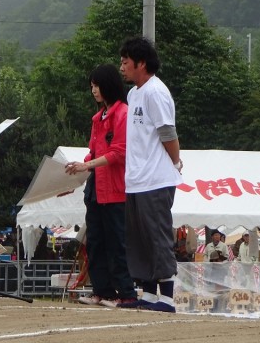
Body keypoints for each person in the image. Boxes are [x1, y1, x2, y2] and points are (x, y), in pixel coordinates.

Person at [118, 36, 183, 312]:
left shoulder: (156, 92)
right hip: (135, 180)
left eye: (125, 62)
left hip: (156, 179)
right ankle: (147, 293)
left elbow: (168, 133)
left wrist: (176, 162)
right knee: (140, 239)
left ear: (141, 64)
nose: (121, 67)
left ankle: (167, 298)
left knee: (157, 236)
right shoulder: (134, 94)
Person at [65, 64, 137, 308]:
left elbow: (119, 152)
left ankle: (126, 293)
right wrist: (74, 174)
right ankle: (102, 290)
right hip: (96, 189)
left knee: (116, 243)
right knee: (95, 242)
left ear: (108, 85)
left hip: (115, 190)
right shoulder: (98, 118)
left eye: (96, 85)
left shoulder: (123, 114)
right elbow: (92, 154)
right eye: (92, 86)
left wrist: (87, 165)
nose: (93, 90)